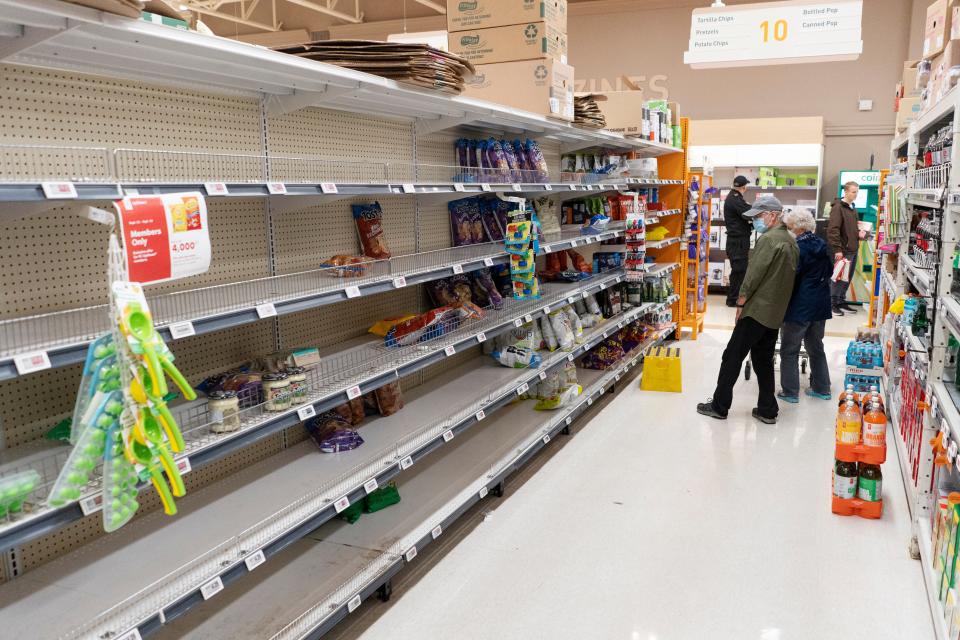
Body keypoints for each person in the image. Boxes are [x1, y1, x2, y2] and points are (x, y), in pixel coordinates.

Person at [697, 195, 799, 425]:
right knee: (763, 360)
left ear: (772, 215)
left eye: (759, 216)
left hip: (757, 310)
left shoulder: (769, 240)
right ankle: (767, 409)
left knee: (732, 356)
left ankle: (719, 406)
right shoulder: (790, 240)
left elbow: (752, 276)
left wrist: (740, 302)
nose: (755, 222)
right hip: (774, 312)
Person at [777, 210, 833, 404]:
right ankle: (822, 388)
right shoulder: (823, 244)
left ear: (799, 228)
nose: (788, 231)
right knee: (816, 347)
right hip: (820, 305)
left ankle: (790, 392)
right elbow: (830, 271)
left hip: (799, 306)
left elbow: (790, 276)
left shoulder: (796, 247)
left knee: (789, 350)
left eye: (790, 227)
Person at [827, 181, 861, 315]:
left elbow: (852, 228)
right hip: (843, 250)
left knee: (847, 277)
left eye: (857, 192)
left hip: (853, 249)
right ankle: (832, 304)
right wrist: (837, 250)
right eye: (853, 192)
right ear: (846, 192)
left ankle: (840, 301)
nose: (856, 194)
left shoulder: (852, 208)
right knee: (838, 277)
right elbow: (833, 229)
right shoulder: (838, 207)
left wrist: (860, 233)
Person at [724, 175, 753, 307]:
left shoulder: (734, 197)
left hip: (738, 240)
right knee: (739, 270)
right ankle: (733, 299)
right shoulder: (735, 199)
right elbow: (748, 212)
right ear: (744, 187)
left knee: (739, 270)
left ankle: (735, 298)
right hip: (737, 241)